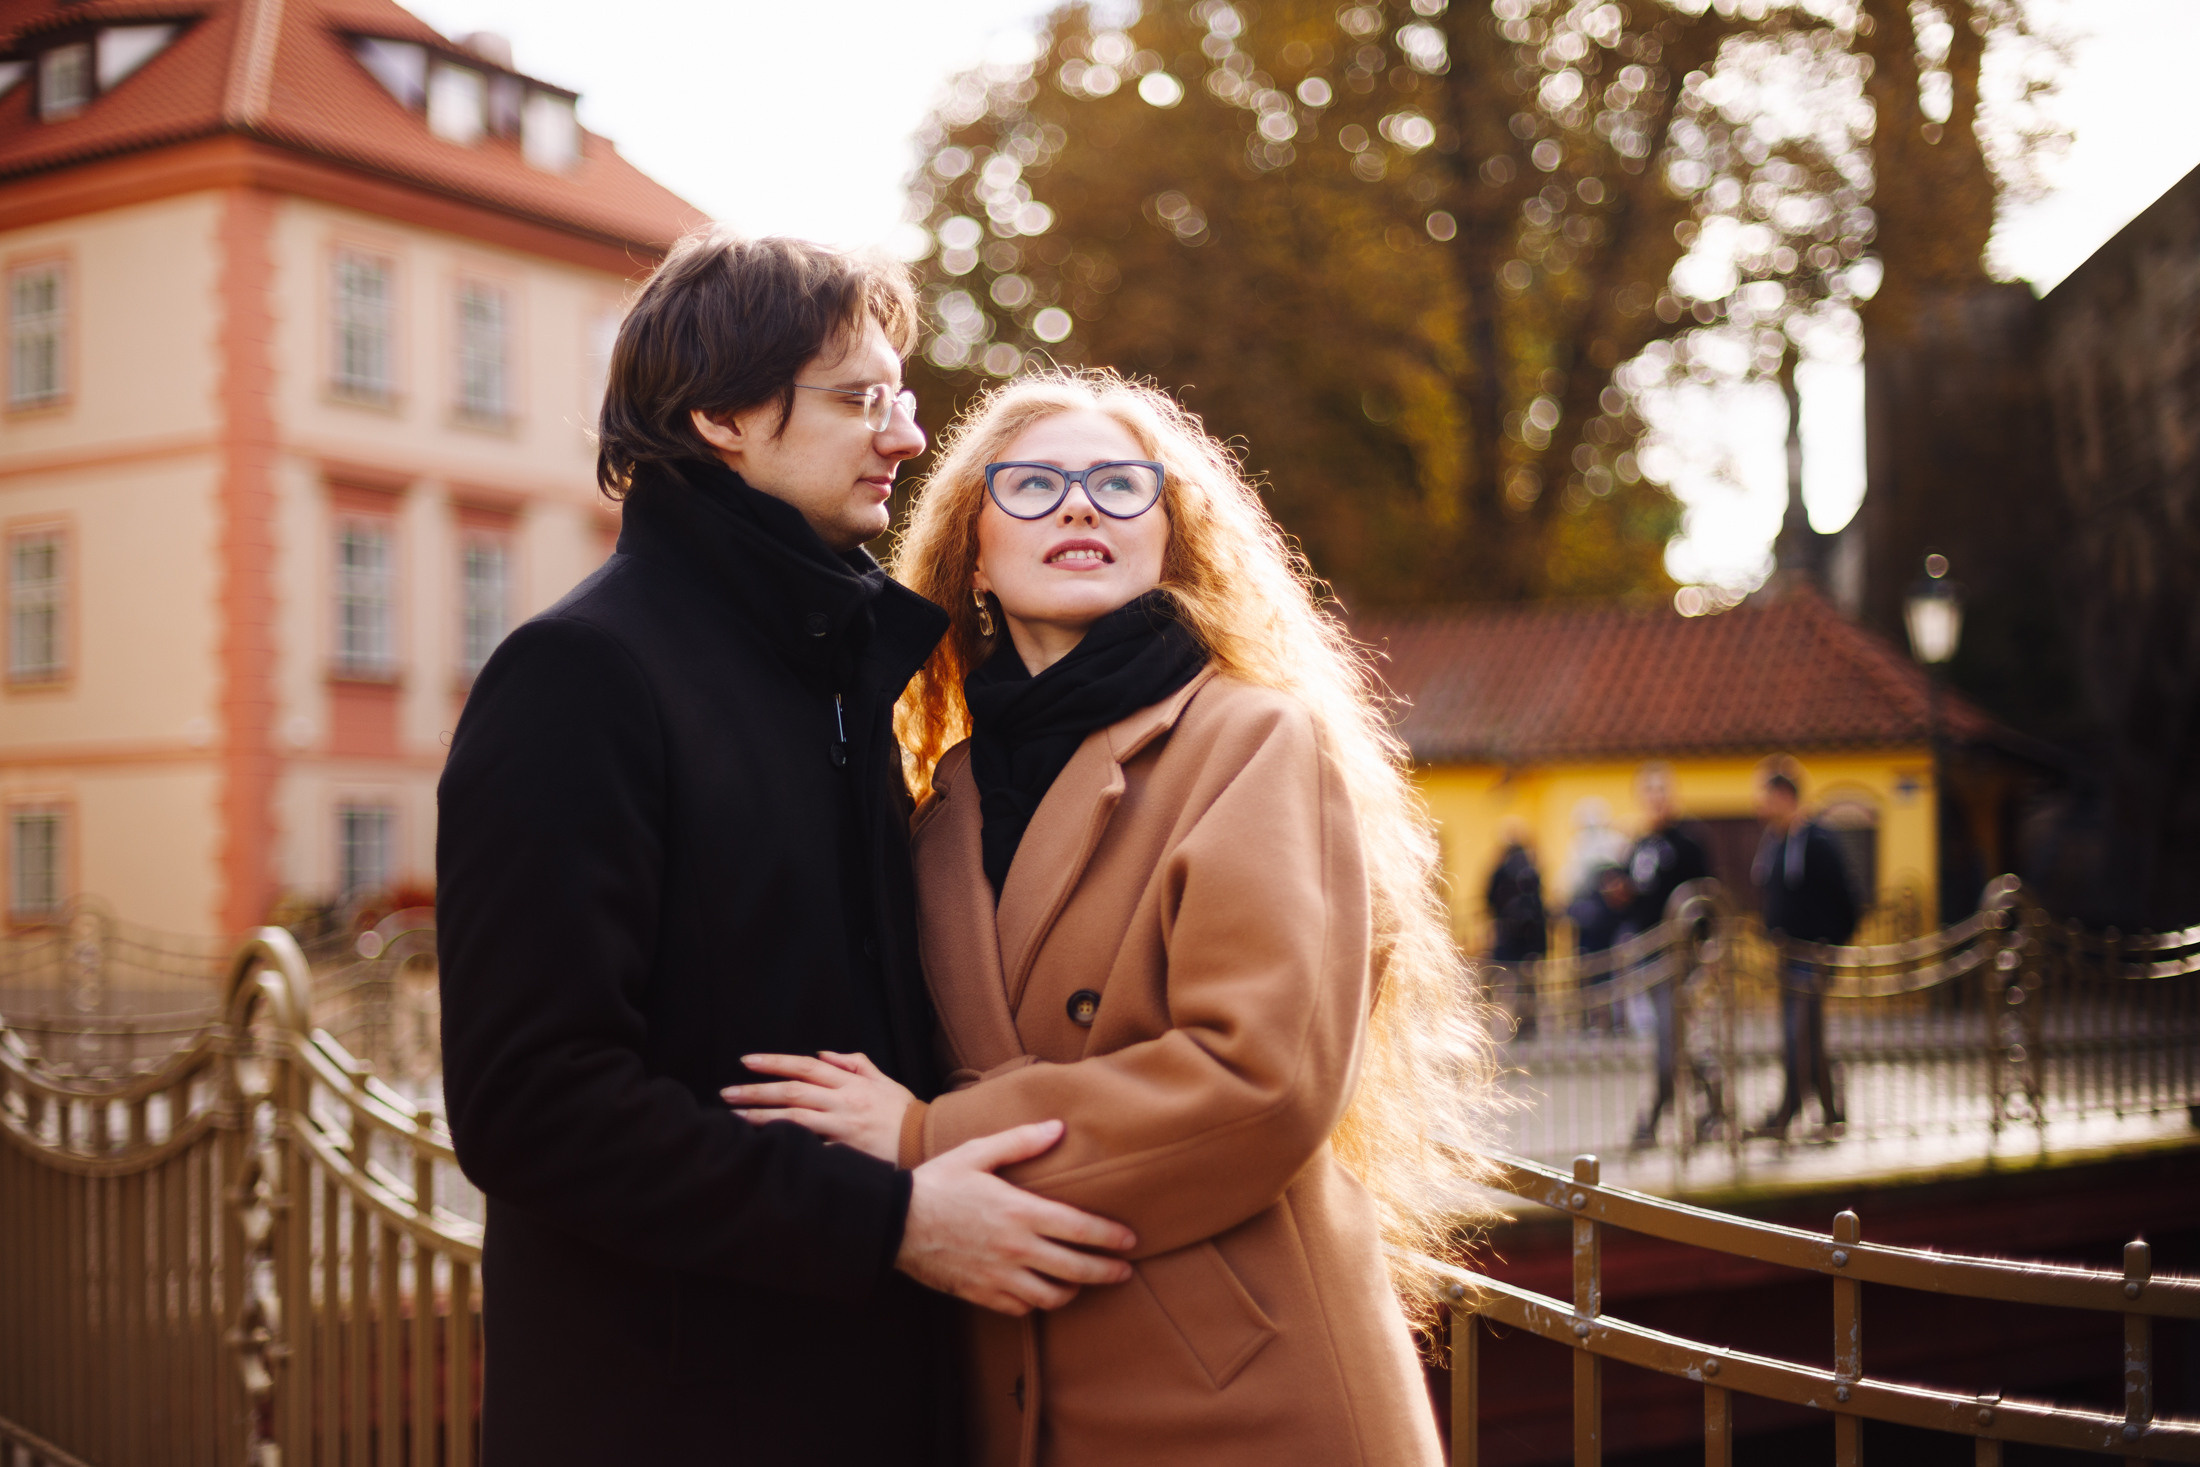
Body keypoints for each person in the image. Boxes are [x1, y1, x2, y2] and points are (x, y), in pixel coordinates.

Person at [435, 235, 1137, 1466]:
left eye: (901, 397)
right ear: (720, 417)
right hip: (678, 1412)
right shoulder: (580, 676)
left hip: (857, 1389)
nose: (906, 437)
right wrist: (892, 1222)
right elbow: (530, 1105)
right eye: (861, 399)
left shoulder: (828, 666)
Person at [723, 370, 1497, 1466]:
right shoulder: (940, 804)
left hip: (1241, 1387)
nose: (1079, 506)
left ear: (1169, 540)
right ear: (972, 553)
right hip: (1022, 1385)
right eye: (1033, 485)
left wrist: (921, 1141)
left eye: (1118, 486)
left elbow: (1257, 1078)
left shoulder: (1252, 743)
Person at [1749, 767, 1860, 1140]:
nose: (1759, 805)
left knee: (1800, 1035)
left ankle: (1791, 1112)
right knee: (1805, 1037)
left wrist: (1830, 945)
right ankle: (1829, 1112)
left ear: (1783, 796)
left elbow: (1847, 898)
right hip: (1787, 955)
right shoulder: (1775, 841)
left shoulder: (1818, 840)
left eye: (1764, 797)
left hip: (1812, 955)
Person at [1625, 763, 1711, 1146]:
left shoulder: (1688, 842)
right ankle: (1716, 1105)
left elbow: (1705, 899)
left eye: (1662, 790)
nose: (1656, 798)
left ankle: (1653, 1121)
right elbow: (1637, 897)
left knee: (1668, 1041)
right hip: (1649, 956)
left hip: (1679, 957)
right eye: (1649, 791)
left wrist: (1704, 956)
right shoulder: (1640, 844)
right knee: (1676, 1040)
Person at [1485, 823, 1547, 1038]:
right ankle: (1528, 1026)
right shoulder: (1532, 869)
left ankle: (1512, 1025)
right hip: (1529, 938)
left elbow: (1489, 899)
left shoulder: (1500, 870)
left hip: (1509, 937)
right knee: (1528, 984)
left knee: (1507, 984)